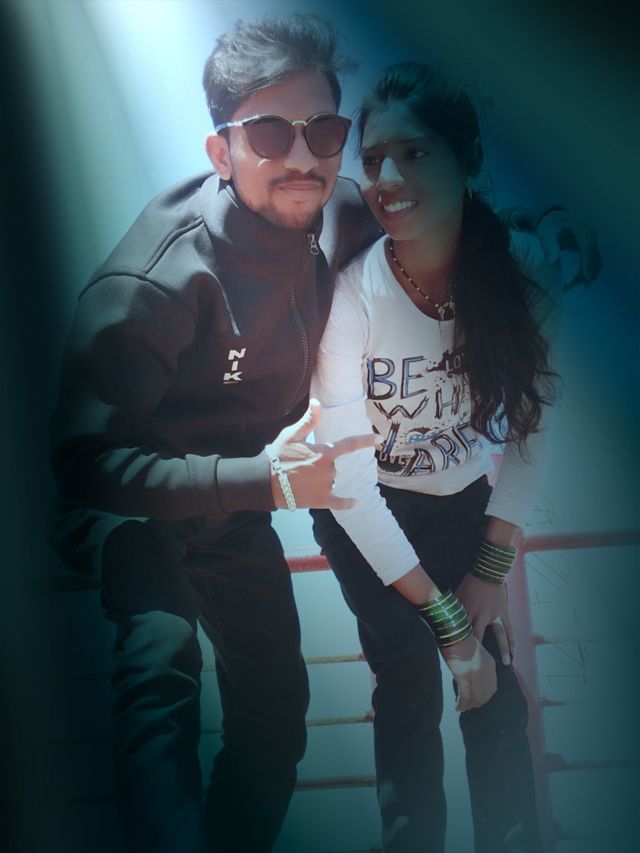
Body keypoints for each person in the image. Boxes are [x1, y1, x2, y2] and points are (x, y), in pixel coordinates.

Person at [49, 14, 599, 853]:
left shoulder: (346, 213)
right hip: (138, 505)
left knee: (275, 723)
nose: (304, 156)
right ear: (221, 151)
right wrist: (265, 480)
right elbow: (85, 463)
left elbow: (446, 216)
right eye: (271, 133)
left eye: (326, 131)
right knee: (161, 682)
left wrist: (552, 241)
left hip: (247, 510)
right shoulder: (152, 282)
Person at [310, 61, 585, 853]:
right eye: (373, 160)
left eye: (415, 154)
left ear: (468, 161)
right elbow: (349, 480)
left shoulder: (524, 279)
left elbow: (530, 433)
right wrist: (445, 617)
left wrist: (487, 575)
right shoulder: (352, 296)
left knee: (493, 688)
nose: (387, 179)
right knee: (408, 671)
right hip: (366, 513)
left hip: (460, 502)